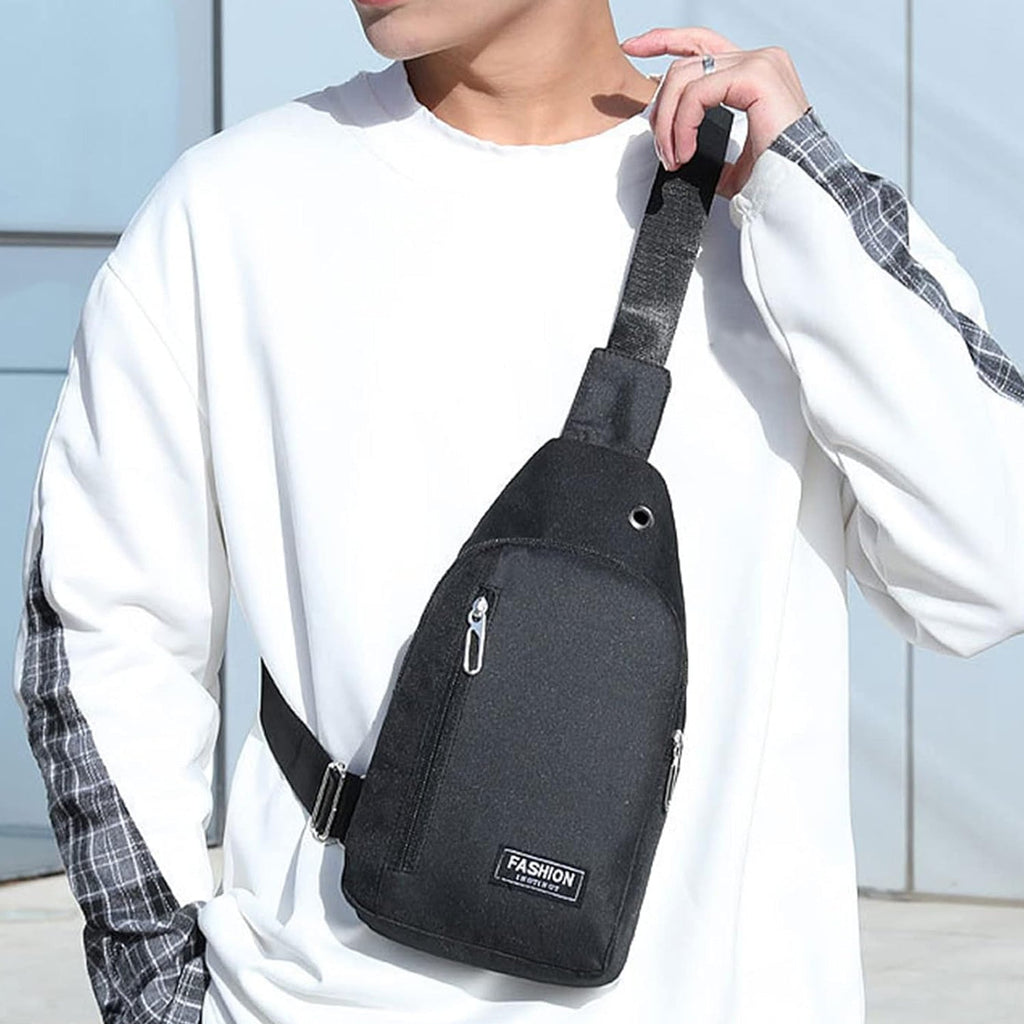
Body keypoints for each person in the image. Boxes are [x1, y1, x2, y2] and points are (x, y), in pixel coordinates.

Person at [12, 2, 1024, 1022]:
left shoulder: (778, 205)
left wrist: (806, 195)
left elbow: (989, 573)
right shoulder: (231, 211)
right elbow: (105, 627)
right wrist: (157, 996)